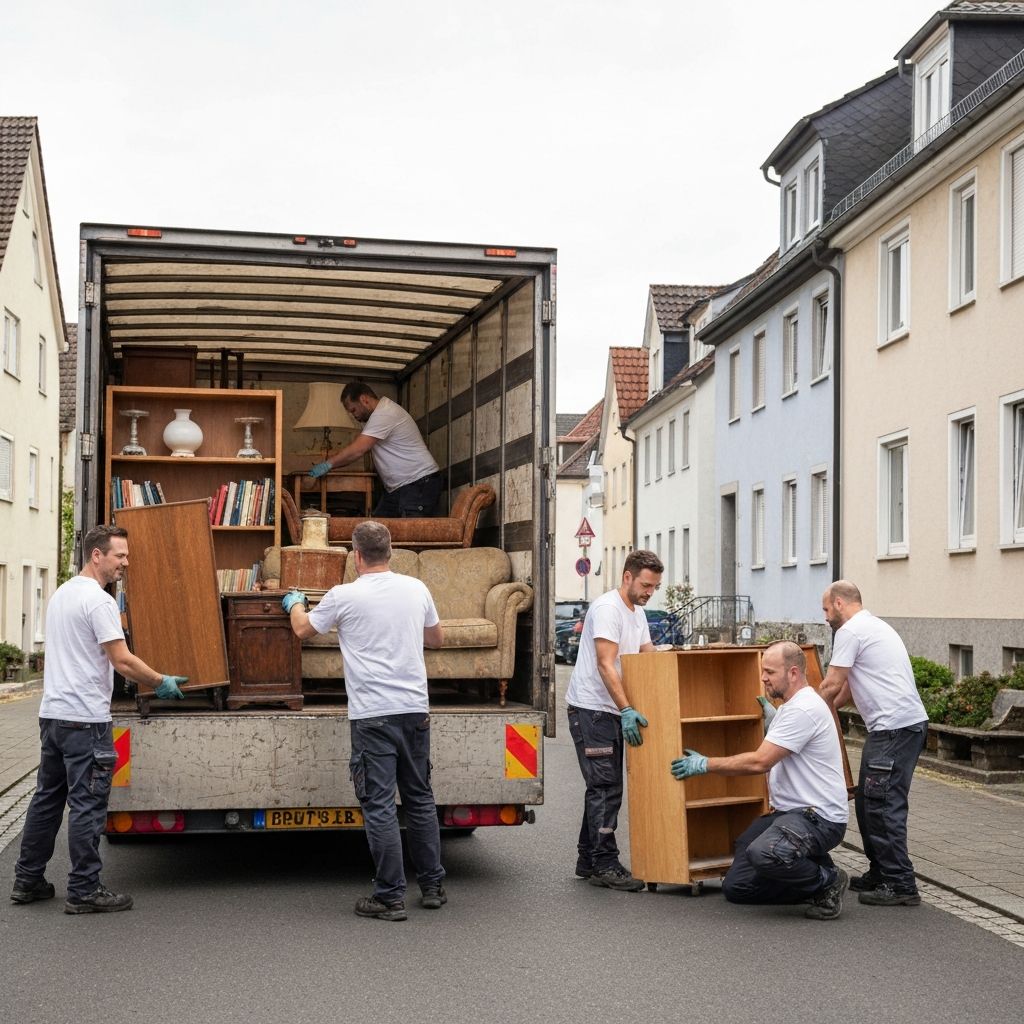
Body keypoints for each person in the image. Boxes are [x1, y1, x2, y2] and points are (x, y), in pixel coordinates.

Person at [10, 525, 188, 914]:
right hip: (85, 721)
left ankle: (28, 880)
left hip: (54, 715)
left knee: (46, 802)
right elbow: (121, 659)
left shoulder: (61, 595)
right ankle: (84, 890)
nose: (125, 562)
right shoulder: (99, 601)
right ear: (96, 555)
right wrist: (160, 682)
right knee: (88, 805)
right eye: (119, 555)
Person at [283, 520, 445, 921]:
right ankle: (432, 886)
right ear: (390, 552)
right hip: (414, 710)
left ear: (356, 556)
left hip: (373, 716)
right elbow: (436, 639)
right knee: (421, 799)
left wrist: (296, 602)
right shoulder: (417, 589)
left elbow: (303, 630)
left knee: (379, 806)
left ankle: (390, 896)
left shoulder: (344, 595)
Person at [670, 641, 850, 920]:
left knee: (765, 852)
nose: (763, 677)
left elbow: (760, 761)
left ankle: (828, 882)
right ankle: (811, 869)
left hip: (819, 818)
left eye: (770, 671)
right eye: (762, 670)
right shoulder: (793, 707)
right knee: (737, 887)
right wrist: (775, 720)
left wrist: (706, 764)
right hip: (791, 815)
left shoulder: (803, 709)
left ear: (792, 673)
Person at [819, 580, 928, 907]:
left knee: (883, 805)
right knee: (868, 801)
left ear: (839, 603)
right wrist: (827, 710)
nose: (825, 617)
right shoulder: (871, 627)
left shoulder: (851, 631)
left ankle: (901, 884)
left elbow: (831, 684)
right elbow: (848, 689)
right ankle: (880, 871)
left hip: (895, 730)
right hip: (893, 730)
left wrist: (799, 714)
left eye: (826, 609)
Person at [565, 549, 662, 892]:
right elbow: (607, 663)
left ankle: (587, 860)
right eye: (646, 585)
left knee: (601, 787)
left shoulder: (637, 613)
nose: (651, 592)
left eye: (655, 587)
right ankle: (605, 864)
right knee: (606, 788)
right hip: (592, 710)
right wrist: (626, 709)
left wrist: (673, 660)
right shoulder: (608, 608)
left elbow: (646, 654)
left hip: (609, 710)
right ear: (627, 577)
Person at [308, 382, 442, 517]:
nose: (353, 416)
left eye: (353, 410)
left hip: (418, 483)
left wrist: (327, 464)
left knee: (410, 534)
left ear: (364, 400)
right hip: (398, 488)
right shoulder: (374, 418)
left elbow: (357, 450)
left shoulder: (385, 413)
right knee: (376, 530)